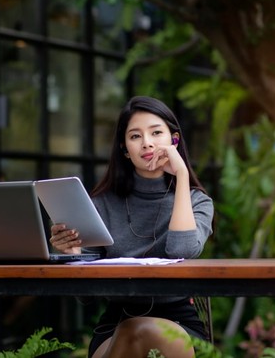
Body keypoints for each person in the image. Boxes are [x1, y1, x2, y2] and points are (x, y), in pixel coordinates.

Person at [50, 96, 214, 358]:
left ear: (174, 140)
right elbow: (85, 296)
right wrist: (72, 254)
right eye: (135, 136)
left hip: (179, 321)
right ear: (125, 149)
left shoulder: (197, 201)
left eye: (156, 133)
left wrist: (181, 175)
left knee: (140, 329)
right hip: (116, 322)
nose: (147, 142)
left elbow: (181, 249)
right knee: (132, 329)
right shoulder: (100, 204)